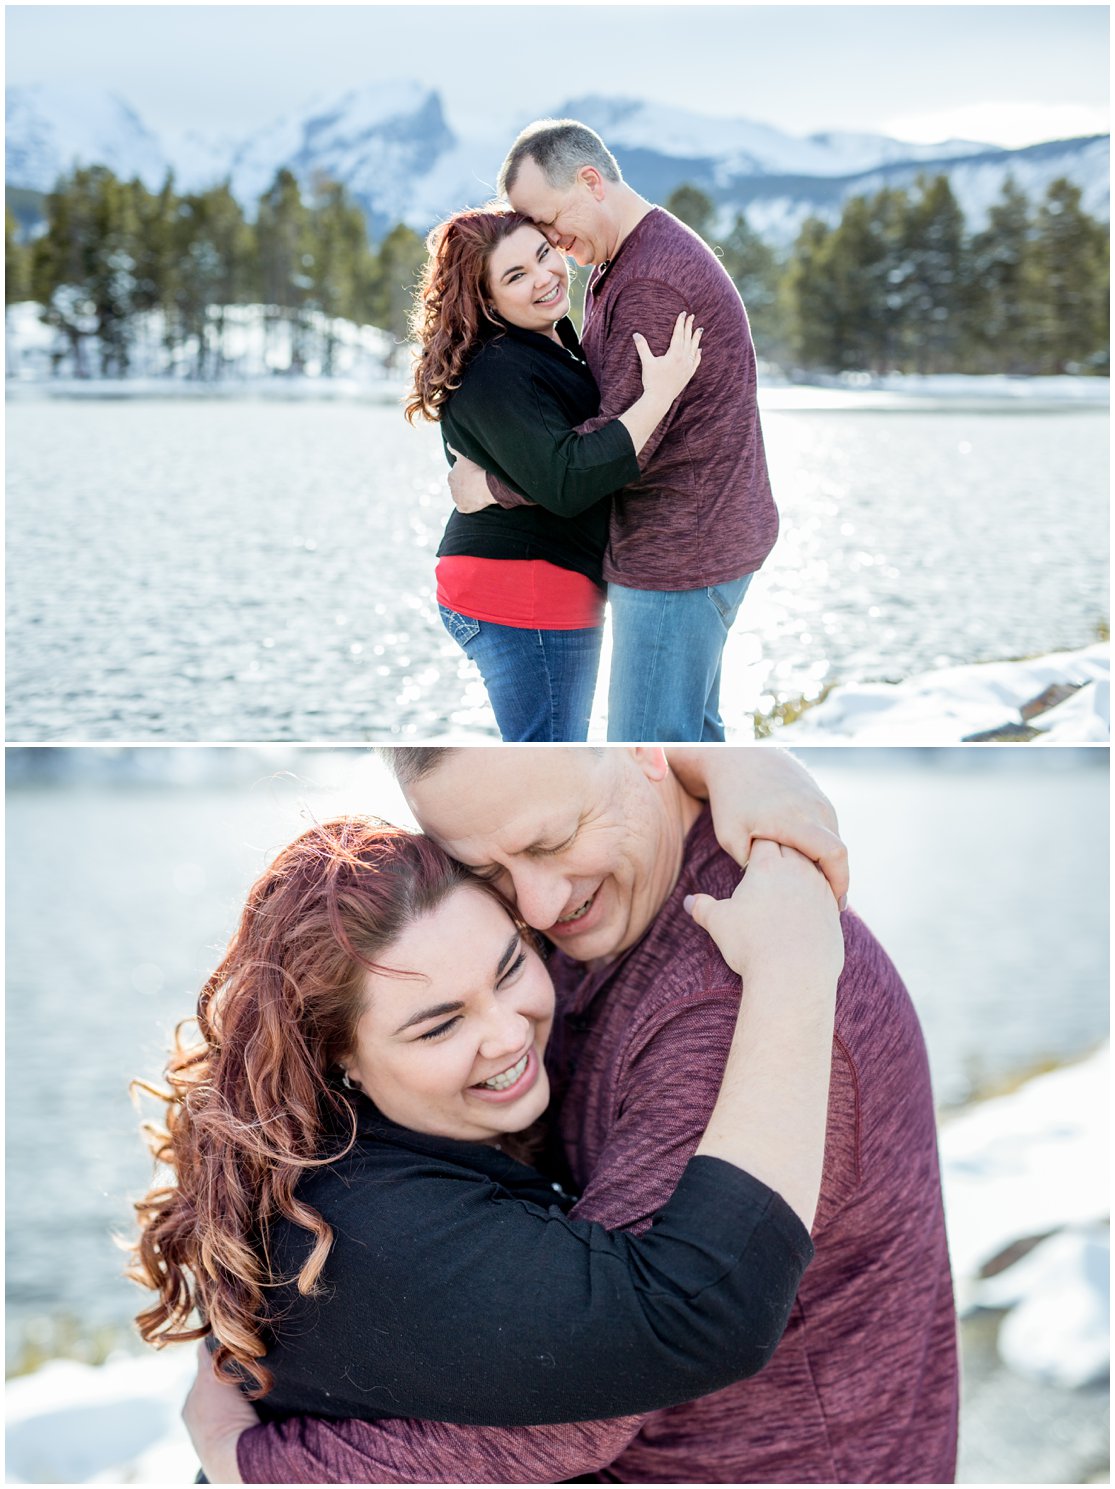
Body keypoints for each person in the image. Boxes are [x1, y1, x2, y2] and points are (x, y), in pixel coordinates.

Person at [189, 747, 958, 1484]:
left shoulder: (731, 998)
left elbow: (602, 1388)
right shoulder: (561, 904)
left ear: (641, 754)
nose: (537, 905)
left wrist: (251, 1461)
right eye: (485, 869)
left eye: (552, 841)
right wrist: (725, 759)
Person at [449, 121, 778, 743]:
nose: (550, 244)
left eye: (547, 224)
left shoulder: (651, 281)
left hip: (678, 552)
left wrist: (492, 487)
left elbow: (615, 449)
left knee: (645, 751)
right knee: (690, 745)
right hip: (696, 540)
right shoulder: (629, 257)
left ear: (591, 182)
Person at [407, 207, 703, 741]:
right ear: (486, 300)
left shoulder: (545, 344)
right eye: (514, 276)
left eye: (543, 255)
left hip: (530, 586)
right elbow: (565, 479)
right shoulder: (498, 366)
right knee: (548, 754)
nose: (544, 277)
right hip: (524, 591)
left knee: (549, 750)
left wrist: (494, 488)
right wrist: (659, 394)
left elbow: (550, 463)